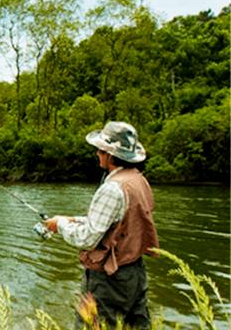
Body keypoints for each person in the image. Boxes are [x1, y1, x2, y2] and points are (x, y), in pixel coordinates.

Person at [44, 121, 159, 329]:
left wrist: (60, 225)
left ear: (110, 155)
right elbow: (118, 223)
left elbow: (87, 239)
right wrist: (71, 219)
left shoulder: (113, 188)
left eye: (100, 150)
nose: (97, 153)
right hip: (135, 272)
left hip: (109, 279)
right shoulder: (139, 181)